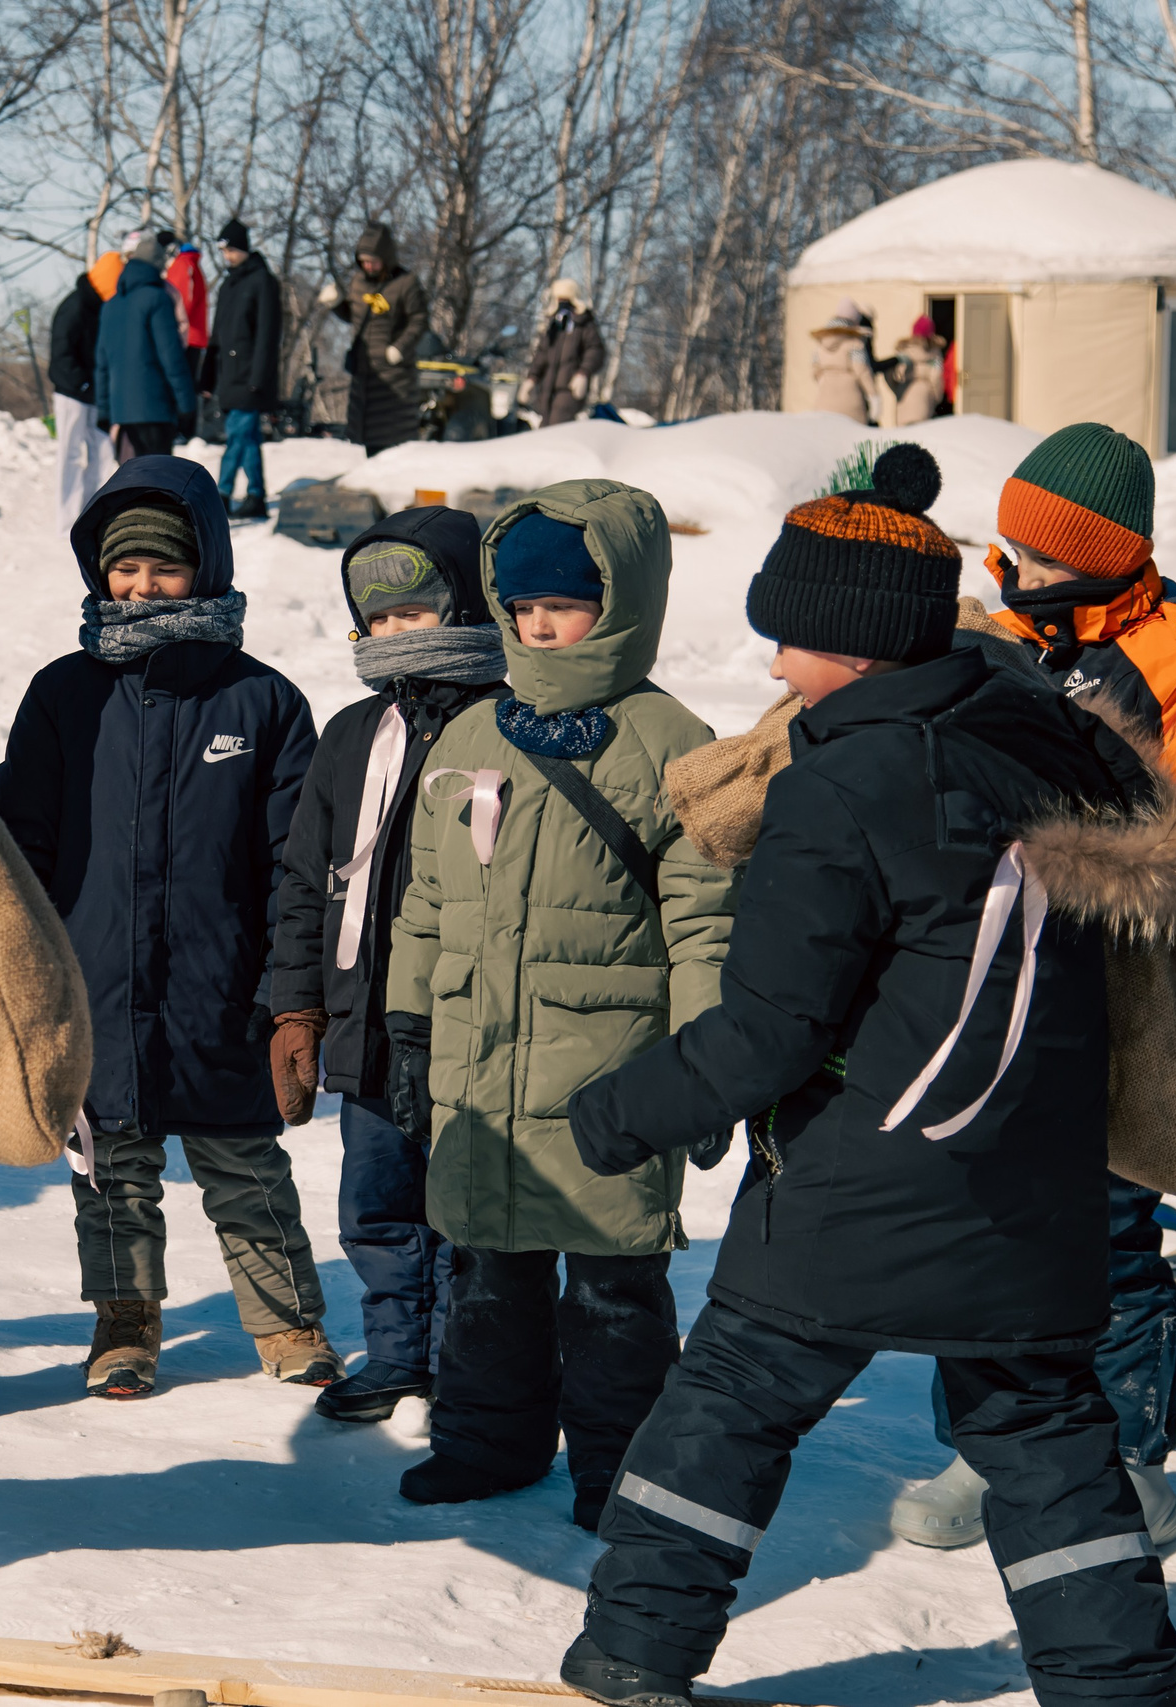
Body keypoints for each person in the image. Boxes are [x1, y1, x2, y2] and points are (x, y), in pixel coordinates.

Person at [555, 445, 1176, 1707]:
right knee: (1050, 1445)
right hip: (1028, 1185)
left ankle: (632, 1661)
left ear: (851, 647)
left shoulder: (838, 783)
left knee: (724, 1412)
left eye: (785, 638)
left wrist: (620, 1112)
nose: (770, 663)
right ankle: (1116, 1691)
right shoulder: (1046, 745)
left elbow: (769, 1029)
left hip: (862, 1183)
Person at [885, 422, 1176, 1550]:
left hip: (1114, 992)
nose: (1022, 575)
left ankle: (1126, 1458)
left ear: (1110, 559)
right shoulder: (994, 635)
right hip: (988, 981)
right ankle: (985, 1449)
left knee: (1106, 1230)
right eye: (1013, 552)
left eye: (1048, 561)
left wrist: (1106, 871)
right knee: (982, 1221)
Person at [380, 482, 732, 1522]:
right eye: (521, 604)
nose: (537, 624)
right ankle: (489, 1445)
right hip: (480, 1065)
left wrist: (704, 1070)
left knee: (616, 1288)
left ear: (623, 604)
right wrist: (408, 1025)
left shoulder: (671, 740)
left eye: (563, 605)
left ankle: (619, 1470)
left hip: (608, 1074)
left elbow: (706, 923)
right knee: (487, 1273)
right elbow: (425, 899)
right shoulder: (471, 735)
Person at [0, 455, 331, 1399]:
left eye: (164, 567)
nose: (140, 586)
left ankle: (288, 1320)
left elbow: (291, 867)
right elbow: (19, 840)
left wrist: (287, 994)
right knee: (112, 1179)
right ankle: (124, 1322)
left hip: (222, 996)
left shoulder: (262, 702)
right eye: (123, 567)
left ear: (207, 567)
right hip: (95, 987)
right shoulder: (65, 694)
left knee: (248, 1171)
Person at [265, 505, 504, 1423]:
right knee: (376, 1202)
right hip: (362, 1021)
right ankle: (397, 1351)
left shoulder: (504, 726)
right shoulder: (352, 733)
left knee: (464, 1207)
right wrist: (295, 1007)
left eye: (419, 613)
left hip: (465, 1023)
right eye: (382, 620)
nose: (399, 635)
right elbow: (302, 879)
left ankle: (460, 1359)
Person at [319, 224, 429, 455]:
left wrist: (400, 348)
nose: (368, 266)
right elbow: (354, 316)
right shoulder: (358, 282)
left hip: (394, 376)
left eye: (374, 261)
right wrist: (336, 304)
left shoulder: (405, 283)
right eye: (364, 261)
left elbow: (419, 320)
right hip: (364, 373)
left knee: (392, 439)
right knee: (366, 438)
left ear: (386, 259)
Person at [94, 233, 197, 462]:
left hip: (122, 412)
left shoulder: (111, 305)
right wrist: (187, 404)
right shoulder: (157, 299)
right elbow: (171, 357)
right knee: (158, 478)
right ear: (157, 267)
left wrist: (103, 410)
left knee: (133, 479)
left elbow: (102, 363)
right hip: (155, 408)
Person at [205, 218, 282, 521]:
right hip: (230, 375)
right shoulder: (228, 284)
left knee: (238, 435)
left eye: (231, 250)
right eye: (224, 251)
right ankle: (256, 496)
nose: (227, 256)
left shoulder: (262, 281)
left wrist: (259, 377)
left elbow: (268, 334)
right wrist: (208, 374)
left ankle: (221, 494)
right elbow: (218, 333)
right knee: (247, 439)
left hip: (251, 375)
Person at [51, 261, 118, 539]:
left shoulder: (99, 306)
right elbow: (61, 356)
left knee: (102, 453)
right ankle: (66, 519)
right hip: (71, 394)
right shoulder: (75, 307)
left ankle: (91, 513)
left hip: (94, 394)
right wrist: (83, 383)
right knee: (70, 454)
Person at [522, 278, 604, 426]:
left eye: (566, 299)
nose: (562, 303)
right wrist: (531, 378)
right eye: (559, 299)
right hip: (547, 389)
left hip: (569, 389)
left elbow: (595, 350)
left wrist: (583, 374)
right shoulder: (554, 326)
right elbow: (542, 354)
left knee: (557, 426)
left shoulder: (584, 324)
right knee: (544, 427)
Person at [805, 298, 882, 424]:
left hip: (823, 402)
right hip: (851, 405)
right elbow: (863, 372)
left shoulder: (820, 343)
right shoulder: (855, 343)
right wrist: (874, 398)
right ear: (854, 320)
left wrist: (826, 381)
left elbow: (815, 371)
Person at [161, 231, 210, 381]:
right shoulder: (189, 264)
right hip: (191, 335)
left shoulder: (182, 265)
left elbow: (181, 302)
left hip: (186, 338)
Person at [886, 314, 947, 426]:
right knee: (919, 435)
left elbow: (894, 377)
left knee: (903, 436)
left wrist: (898, 392)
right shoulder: (935, 356)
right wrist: (938, 398)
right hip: (923, 399)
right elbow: (937, 377)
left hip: (903, 397)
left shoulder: (903, 353)